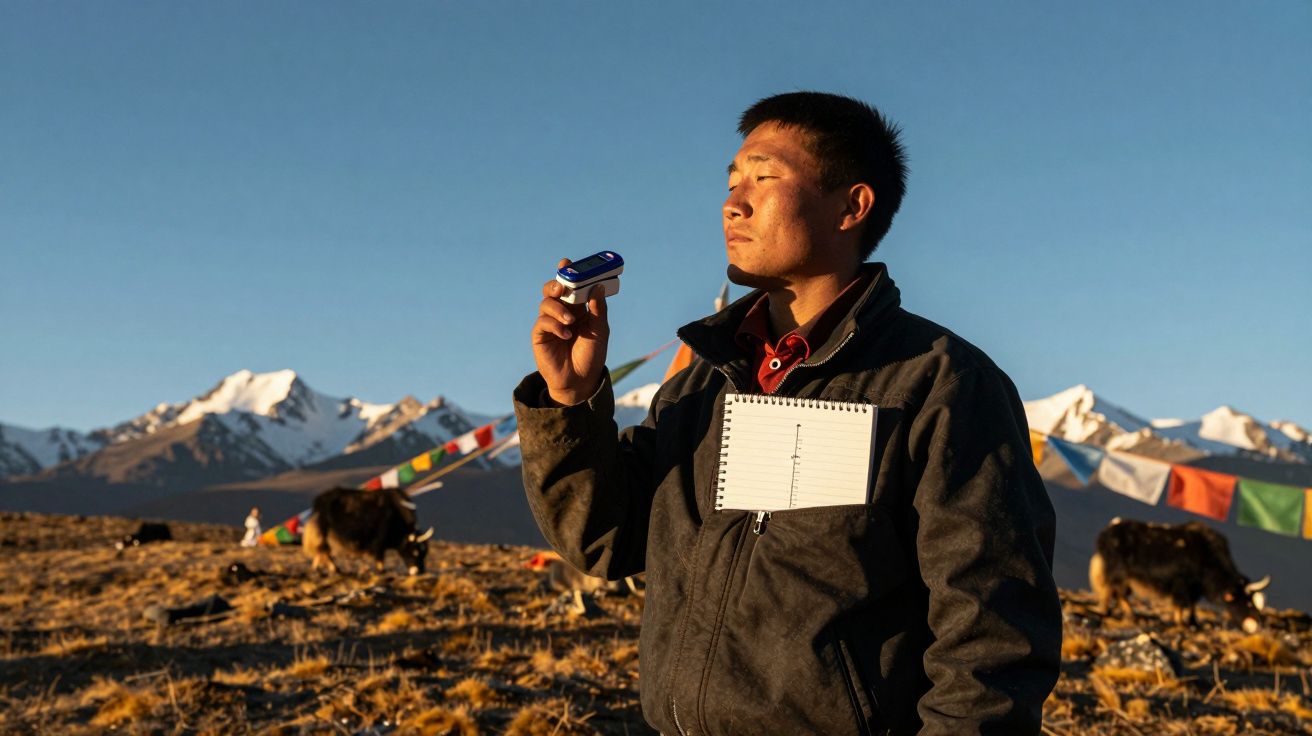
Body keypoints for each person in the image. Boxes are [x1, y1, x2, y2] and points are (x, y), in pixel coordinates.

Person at [514, 91, 1061, 735]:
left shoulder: (940, 384)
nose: (733, 202)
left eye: (765, 177)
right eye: (732, 180)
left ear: (852, 207)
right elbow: (605, 540)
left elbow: (992, 636)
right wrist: (571, 403)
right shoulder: (702, 380)